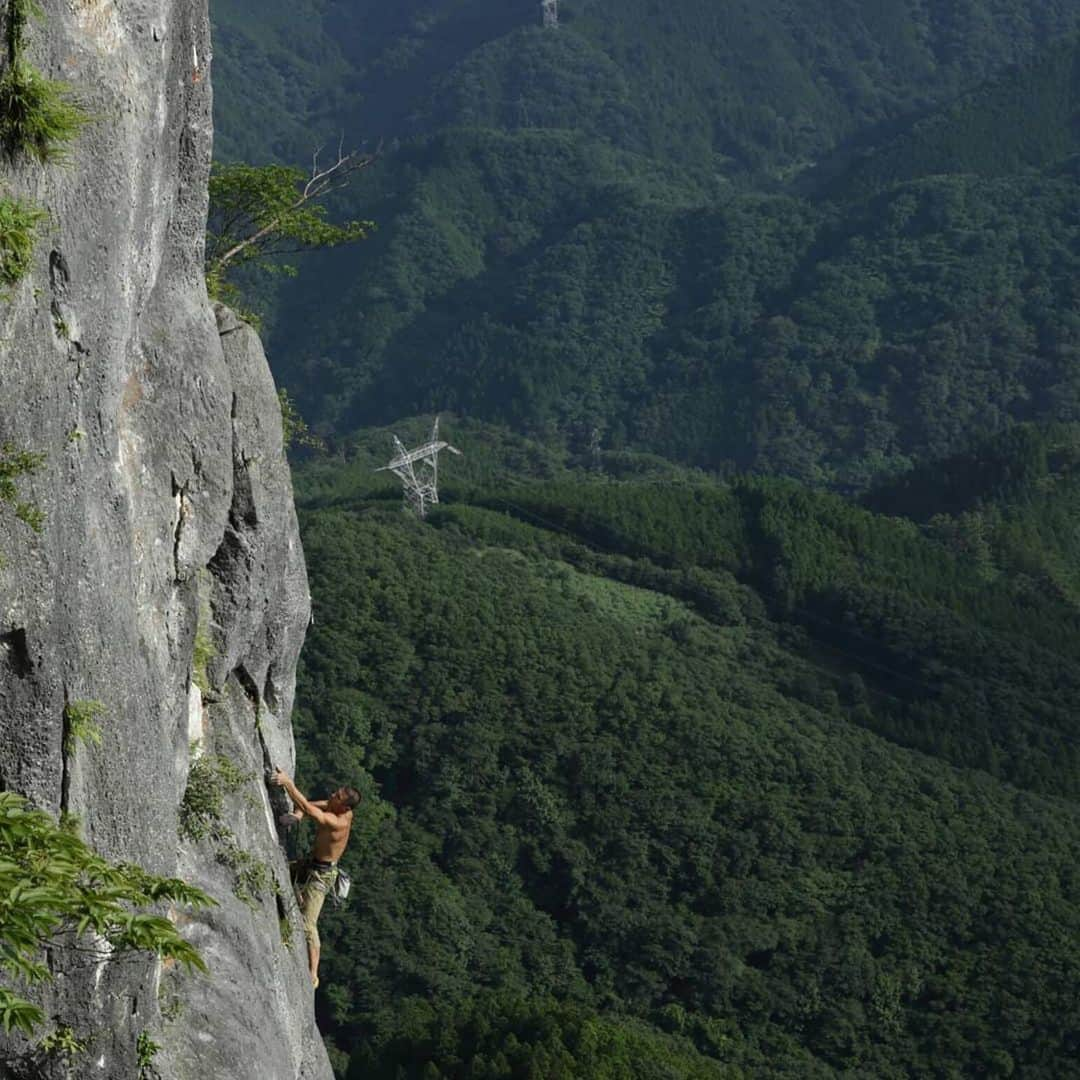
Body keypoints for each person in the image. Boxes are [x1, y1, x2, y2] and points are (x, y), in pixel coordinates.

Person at [269, 768, 360, 988]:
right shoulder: (340, 810)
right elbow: (316, 806)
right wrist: (299, 814)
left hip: (321, 876)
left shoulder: (338, 822)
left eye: (336, 796)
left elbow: (312, 809)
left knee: (308, 924)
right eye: (335, 793)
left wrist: (288, 784)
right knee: (282, 873)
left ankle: (313, 973)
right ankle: (298, 896)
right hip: (311, 864)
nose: (331, 796)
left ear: (345, 806)